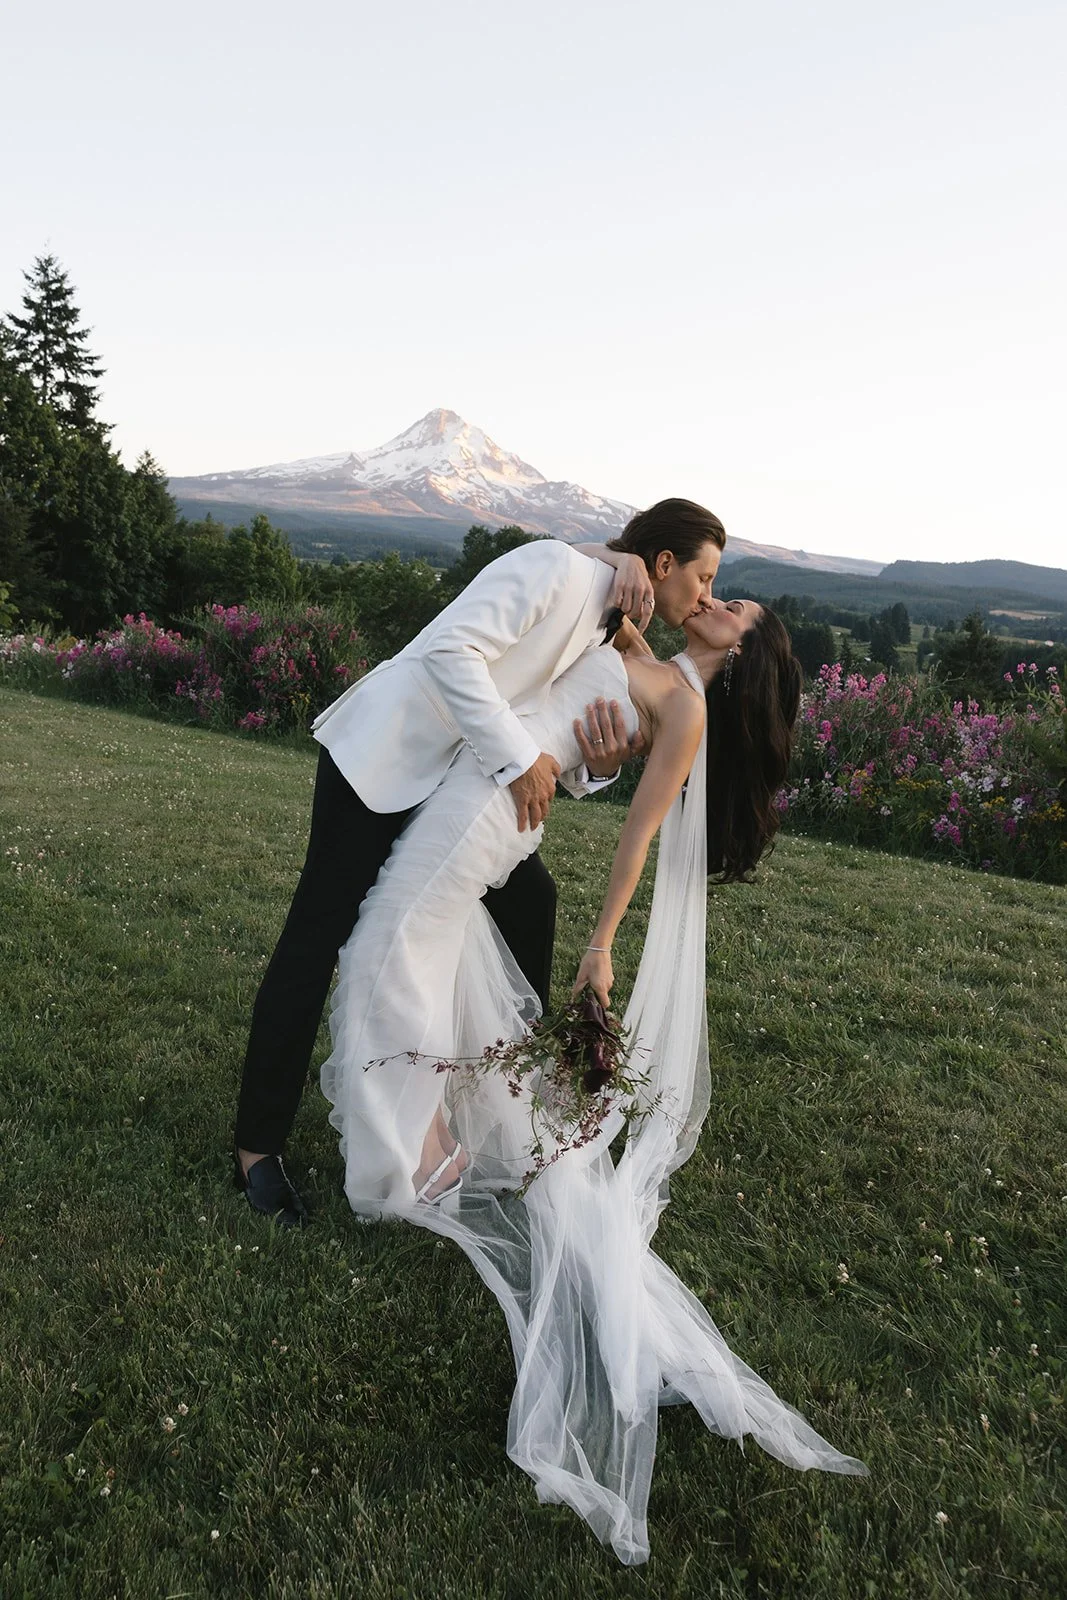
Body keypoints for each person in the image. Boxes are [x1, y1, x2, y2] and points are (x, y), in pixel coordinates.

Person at [320, 597, 867, 1565]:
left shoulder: (690, 709)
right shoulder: (656, 660)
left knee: (391, 956)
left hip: (496, 812)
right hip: (494, 794)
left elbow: (639, 836)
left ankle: (406, 1162)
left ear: (738, 657)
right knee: (430, 965)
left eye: (733, 609)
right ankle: (430, 1144)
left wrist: (602, 942)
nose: (719, 598)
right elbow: (594, 644)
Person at [234, 500, 728, 1225]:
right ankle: (256, 1148)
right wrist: (519, 761)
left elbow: (570, 718)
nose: (706, 596)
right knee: (316, 939)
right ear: (661, 566)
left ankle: (482, 1090)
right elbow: (449, 653)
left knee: (532, 900)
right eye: (704, 577)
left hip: (457, 782)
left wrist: (596, 768)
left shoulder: (614, 620)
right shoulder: (553, 570)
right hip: (387, 757)